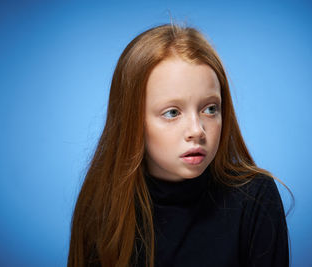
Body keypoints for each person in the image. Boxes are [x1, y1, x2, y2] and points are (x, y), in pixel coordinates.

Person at [68, 22, 291, 267]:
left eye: (210, 109)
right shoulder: (102, 208)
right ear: (133, 121)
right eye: (172, 112)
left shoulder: (255, 197)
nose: (197, 130)